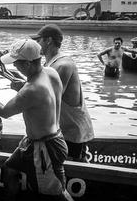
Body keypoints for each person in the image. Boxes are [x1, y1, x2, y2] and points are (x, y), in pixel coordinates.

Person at [0, 40, 80, 201]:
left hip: (46, 149)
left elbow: (4, 111)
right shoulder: (50, 73)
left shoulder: (31, 90)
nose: (15, 67)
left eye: (17, 64)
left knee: (59, 192)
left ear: (27, 64)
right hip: (38, 140)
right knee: (10, 168)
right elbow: (45, 99)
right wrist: (22, 85)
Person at [31, 24, 94, 162]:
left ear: (48, 41)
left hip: (72, 132)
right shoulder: (50, 63)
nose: (36, 44)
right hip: (62, 129)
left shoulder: (62, 65)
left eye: (38, 40)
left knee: (72, 170)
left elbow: (47, 98)